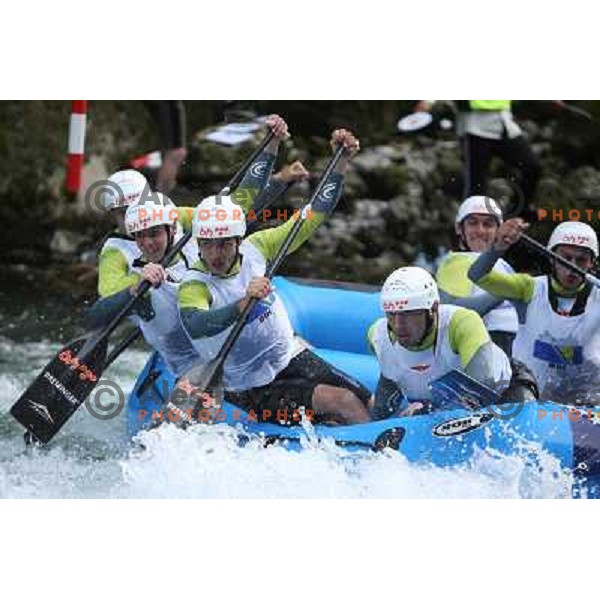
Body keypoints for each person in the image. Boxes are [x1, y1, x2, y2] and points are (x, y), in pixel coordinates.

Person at [178, 129, 372, 425]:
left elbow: (315, 212)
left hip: (290, 356)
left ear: (239, 239)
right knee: (344, 402)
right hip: (252, 386)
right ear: (199, 243)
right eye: (207, 245)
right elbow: (197, 324)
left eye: (224, 244)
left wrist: (342, 161)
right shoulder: (195, 284)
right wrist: (241, 306)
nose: (215, 254)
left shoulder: (258, 248)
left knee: (365, 396)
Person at [97, 115, 290, 300]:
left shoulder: (173, 215)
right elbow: (106, 300)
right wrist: (137, 284)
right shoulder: (114, 251)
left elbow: (234, 208)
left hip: (205, 300)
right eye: (123, 213)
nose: (134, 219)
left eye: (137, 208)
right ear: (112, 215)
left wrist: (270, 148)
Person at [368, 266, 537, 420]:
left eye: (409, 314)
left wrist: (430, 409)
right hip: (438, 405)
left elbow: (482, 387)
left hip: (506, 389)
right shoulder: (378, 335)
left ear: (433, 309)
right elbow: (390, 382)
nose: (398, 325)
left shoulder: (461, 323)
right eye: (392, 314)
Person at [468, 219, 600, 403]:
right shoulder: (527, 288)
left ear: (592, 264)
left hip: (586, 404)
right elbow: (477, 275)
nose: (572, 267)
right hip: (530, 402)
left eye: (581, 260)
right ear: (552, 258)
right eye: (566, 258)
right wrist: (499, 246)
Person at [86, 195, 200, 377]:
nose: (147, 243)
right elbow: (94, 319)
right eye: (140, 236)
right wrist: (133, 291)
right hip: (189, 371)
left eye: (154, 233)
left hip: (233, 353)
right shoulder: (141, 282)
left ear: (171, 230)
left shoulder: (199, 245)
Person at [416, 100, 541, 220]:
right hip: (475, 127)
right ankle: (470, 229)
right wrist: (428, 101)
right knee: (476, 186)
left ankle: (519, 211)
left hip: (503, 122)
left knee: (532, 167)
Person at [436, 195, 519, 356]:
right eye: (472, 223)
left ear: (498, 231)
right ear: (460, 229)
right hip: (486, 346)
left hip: (516, 349)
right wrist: (501, 292)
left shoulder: (505, 265)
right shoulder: (456, 261)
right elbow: (455, 311)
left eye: (488, 224)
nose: (480, 231)